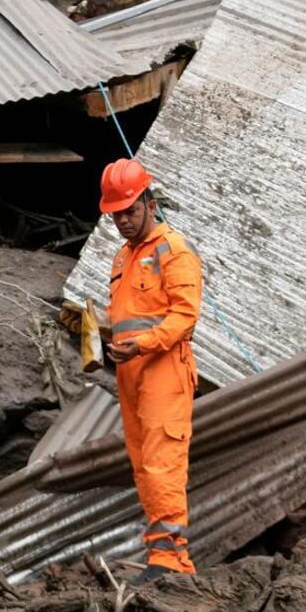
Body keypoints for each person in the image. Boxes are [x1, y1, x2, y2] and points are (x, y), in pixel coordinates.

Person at [99, 158, 203, 580]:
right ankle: (170, 557)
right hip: (132, 373)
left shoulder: (173, 250)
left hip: (163, 369)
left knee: (163, 461)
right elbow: (128, 317)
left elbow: (184, 317)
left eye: (130, 210)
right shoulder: (123, 258)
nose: (123, 220)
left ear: (149, 202)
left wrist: (140, 345)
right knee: (144, 463)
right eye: (116, 214)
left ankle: (166, 559)